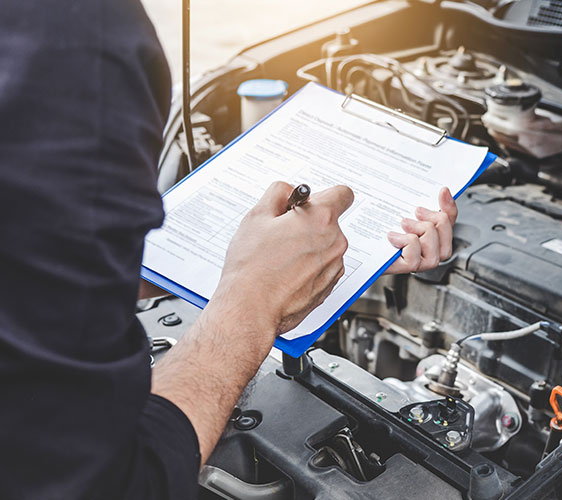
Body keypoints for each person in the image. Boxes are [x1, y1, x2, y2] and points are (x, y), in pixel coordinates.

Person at [0, 1, 457, 498]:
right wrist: (254, 295)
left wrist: (311, 259)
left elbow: (29, 269)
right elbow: (97, 483)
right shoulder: (68, 39)